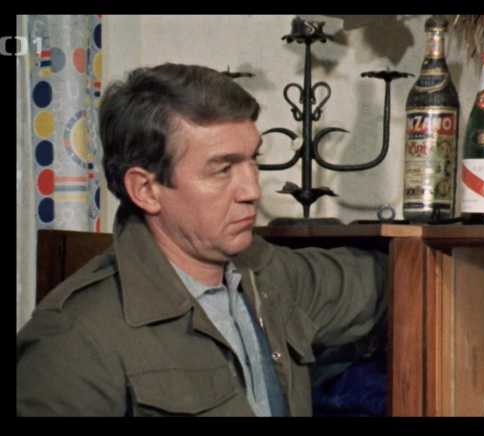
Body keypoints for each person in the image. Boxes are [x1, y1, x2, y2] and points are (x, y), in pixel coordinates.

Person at [16, 63, 388, 417]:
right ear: (146, 189)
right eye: (223, 170)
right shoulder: (73, 339)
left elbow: (387, 280)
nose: (252, 190)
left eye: (253, 160)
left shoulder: (267, 273)